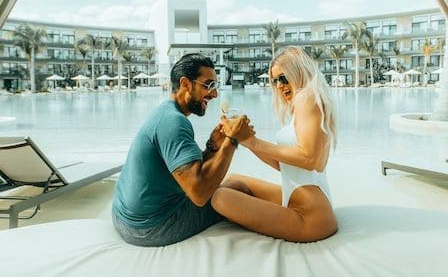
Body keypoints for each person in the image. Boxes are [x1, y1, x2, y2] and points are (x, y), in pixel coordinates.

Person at [112, 53, 254, 246]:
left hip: (124, 216)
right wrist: (232, 140)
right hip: (150, 228)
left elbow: (187, 172)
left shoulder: (166, 112)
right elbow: (199, 195)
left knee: (230, 186)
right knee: (238, 189)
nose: (214, 94)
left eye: (215, 86)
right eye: (209, 85)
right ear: (186, 83)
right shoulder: (174, 123)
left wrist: (213, 147)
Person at [211, 46, 338, 242]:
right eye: (275, 80)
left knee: (220, 198)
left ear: (298, 71)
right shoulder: (303, 105)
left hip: (310, 216)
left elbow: (309, 158)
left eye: (283, 77)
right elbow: (284, 165)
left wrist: (254, 141)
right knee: (234, 181)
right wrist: (245, 141)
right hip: (300, 199)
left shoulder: (307, 97)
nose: (279, 85)